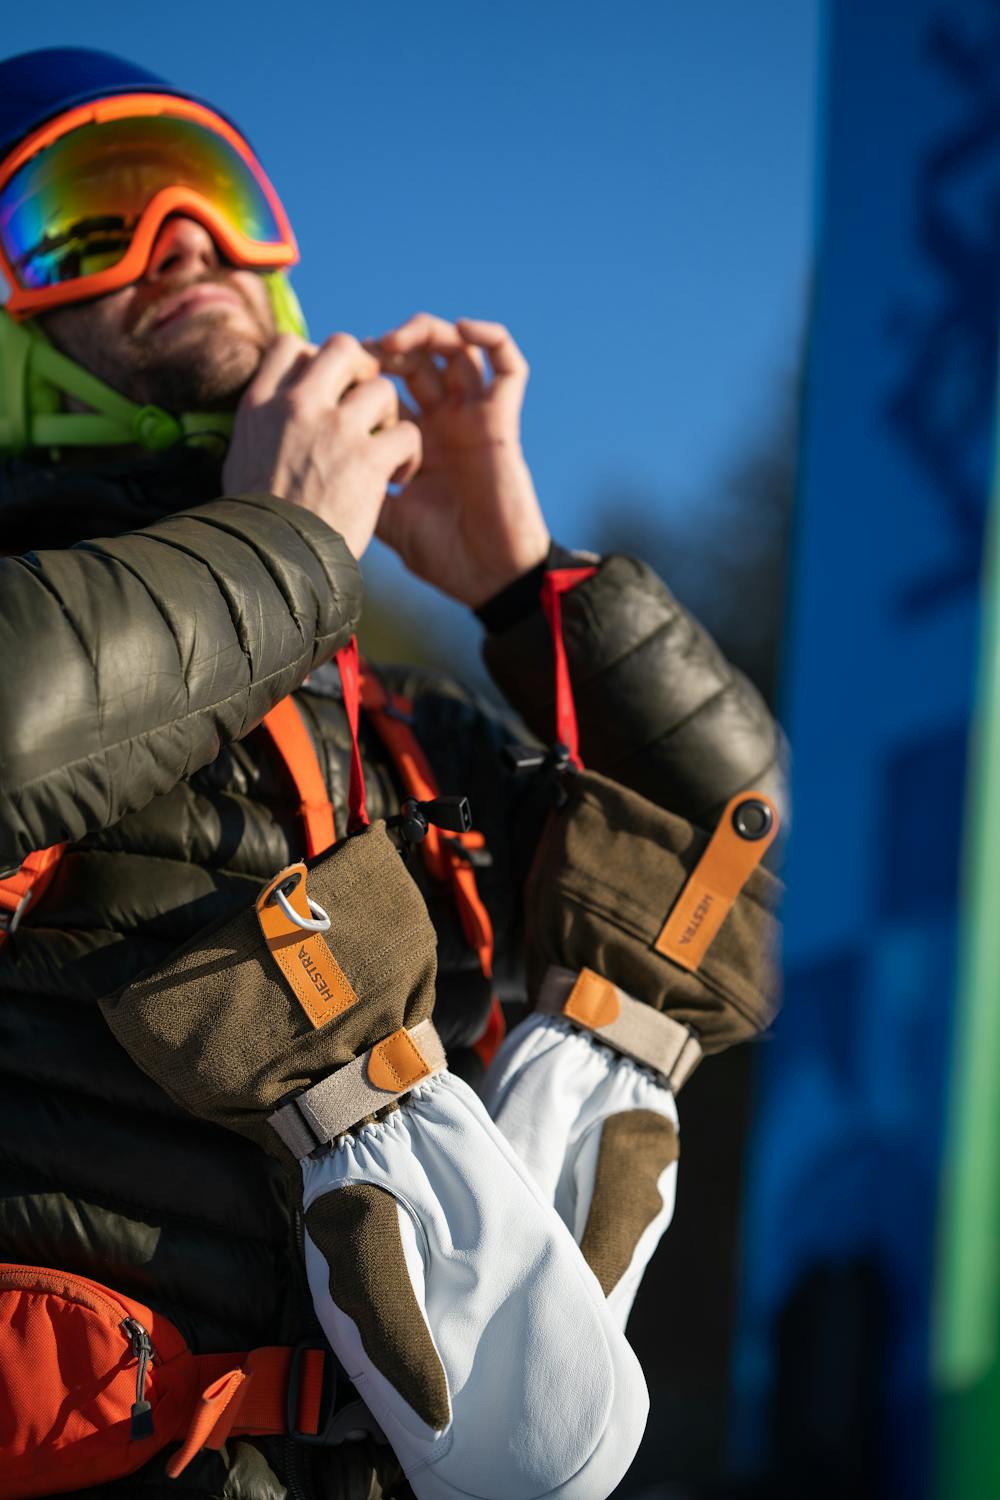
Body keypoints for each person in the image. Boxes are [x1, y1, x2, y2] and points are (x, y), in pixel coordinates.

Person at [0, 47, 788, 1500]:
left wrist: (527, 585)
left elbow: (729, 854)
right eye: (83, 216)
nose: (181, 241)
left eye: (219, 200)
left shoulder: (393, 718)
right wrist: (288, 547)